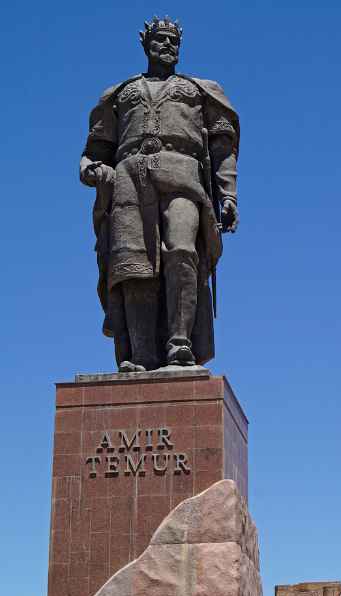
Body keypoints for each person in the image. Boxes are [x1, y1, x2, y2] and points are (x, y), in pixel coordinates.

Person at [80, 15, 239, 371]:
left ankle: (179, 343)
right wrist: (91, 169)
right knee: (132, 266)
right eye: (159, 39)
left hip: (183, 173)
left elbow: (222, 145)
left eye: (173, 41)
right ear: (145, 45)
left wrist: (228, 194)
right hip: (128, 179)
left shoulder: (200, 90)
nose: (166, 46)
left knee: (182, 249)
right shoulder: (120, 94)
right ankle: (141, 355)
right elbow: (95, 149)